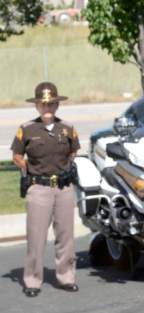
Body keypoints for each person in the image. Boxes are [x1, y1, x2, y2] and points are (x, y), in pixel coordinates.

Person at [11, 82, 80, 297]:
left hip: (63, 188)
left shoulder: (67, 128)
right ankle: (32, 280)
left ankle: (66, 277)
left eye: (51, 104)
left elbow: (73, 152)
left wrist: (64, 169)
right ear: (37, 106)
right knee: (36, 237)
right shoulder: (27, 129)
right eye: (43, 104)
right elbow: (16, 156)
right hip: (39, 188)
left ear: (57, 105)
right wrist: (30, 170)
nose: (47, 108)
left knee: (66, 236)